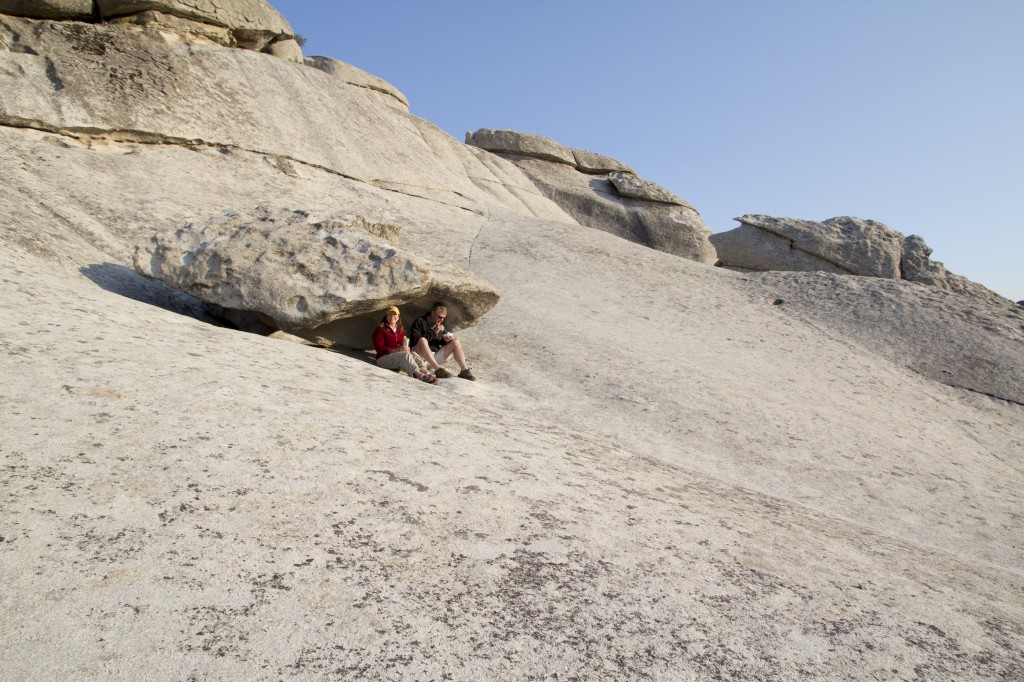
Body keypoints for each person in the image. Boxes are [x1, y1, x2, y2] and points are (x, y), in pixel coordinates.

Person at [408, 302, 476, 380]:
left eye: (444, 318)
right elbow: (415, 339)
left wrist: (445, 341)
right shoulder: (420, 321)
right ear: (432, 313)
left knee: (455, 342)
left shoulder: (440, 325)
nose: (442, 319)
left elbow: (437, 345)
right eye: (440, 317)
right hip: (419, 357)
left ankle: (464, 370)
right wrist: (434, 332)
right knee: (422, 340)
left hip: (433, 358)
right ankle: (438, 370)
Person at [371, 306, 436, 383]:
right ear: (386, 316)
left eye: (394, 314)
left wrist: (405, 349)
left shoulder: (401, 331)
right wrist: (395, 350)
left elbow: (403, 347)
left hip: (397, 357)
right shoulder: (380, 330)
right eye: (390, 314)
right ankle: (417, 374)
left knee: (413, 353)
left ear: (398, 317)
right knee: (405, 355)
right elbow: (379, 348)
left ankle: (425, 372)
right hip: (383, 359)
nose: (392, 316)